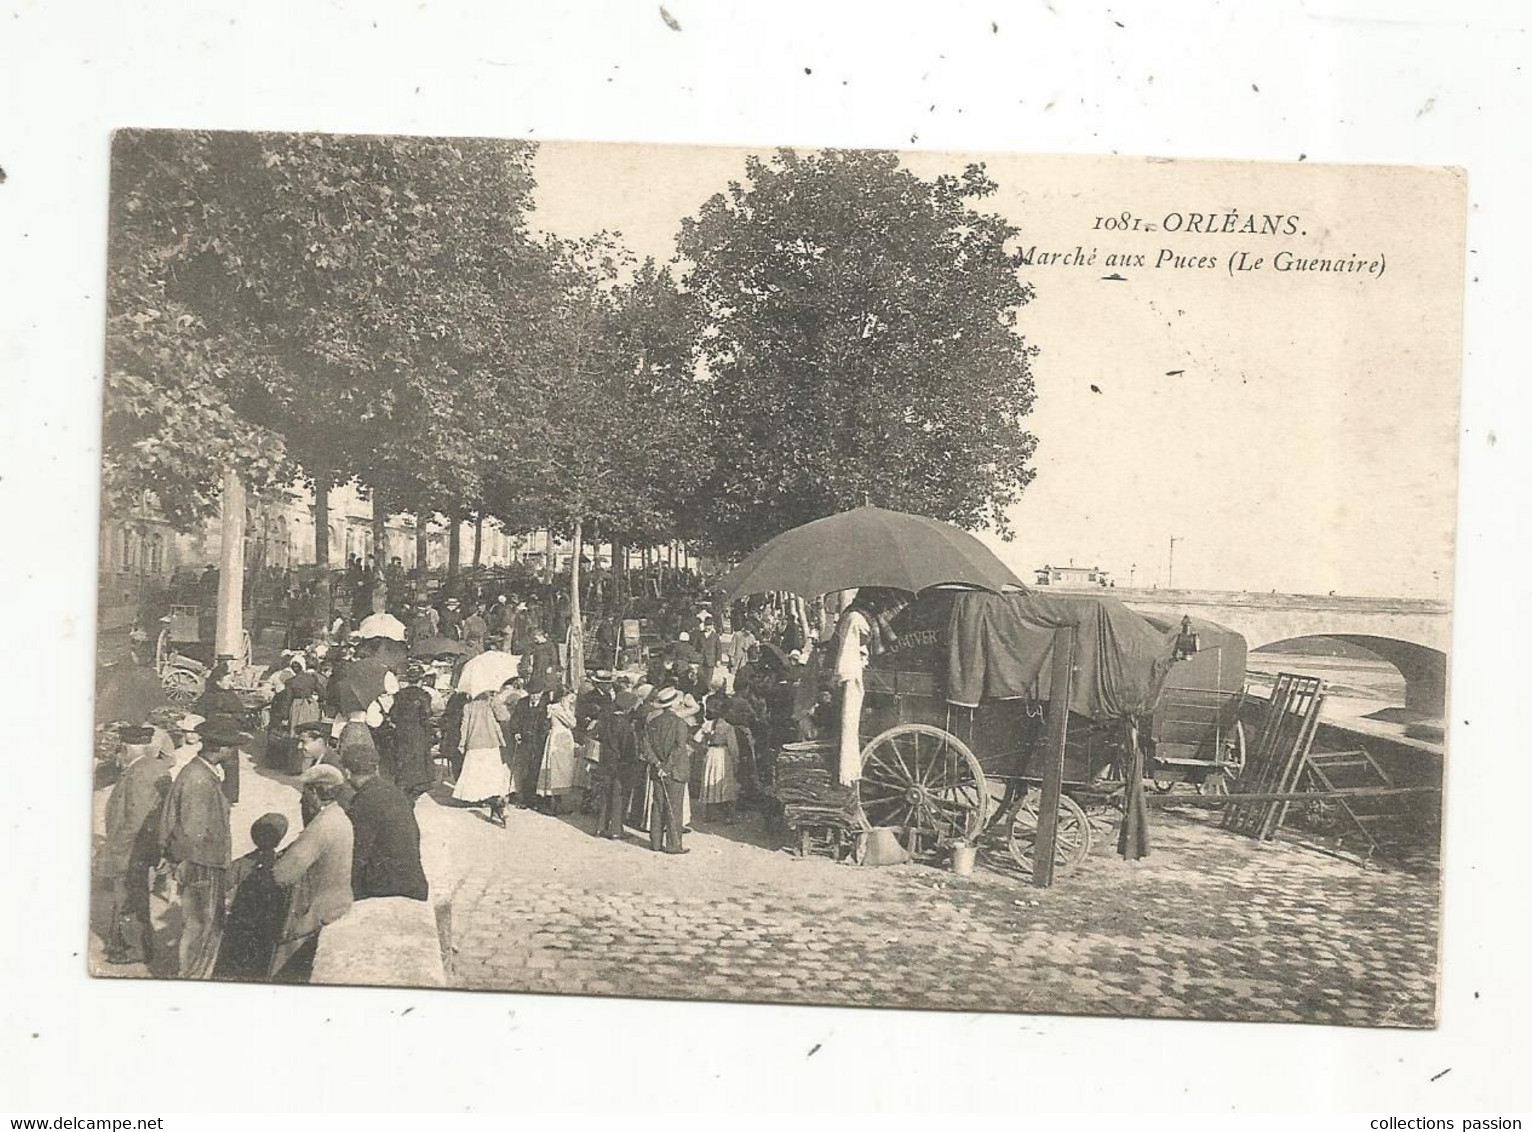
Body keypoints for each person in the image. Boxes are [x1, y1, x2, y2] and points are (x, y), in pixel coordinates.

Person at [157, 716, 242, 979]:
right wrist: (187, 868)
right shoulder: (198, 779)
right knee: (200, 925)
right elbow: (191, 832)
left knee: (204, 924)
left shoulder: (203, 772)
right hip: (200, 865)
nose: (234, 753)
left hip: (203, 863)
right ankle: (191, 976)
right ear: (220, 748)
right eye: (231, 747)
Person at [271, 764, 355, 983]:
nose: (302, 799)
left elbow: (282, 875)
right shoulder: (338, 816)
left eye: (305, 792)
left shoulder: (322, 825)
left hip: (313, 916)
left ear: (316, 792)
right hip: (335, 905)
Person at [98, 725, 172, 965]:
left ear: (127, 748)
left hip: (131, 848)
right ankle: (124, 943)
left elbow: (135, 818)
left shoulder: (138, 773)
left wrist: (115, 848)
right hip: (142, 846)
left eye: (121, 749)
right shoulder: (154, 766)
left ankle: (135, 949)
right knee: (133, 895)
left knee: (129, 897)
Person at [343, 740, 429, 902]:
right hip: (413, 881)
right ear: (375, 768)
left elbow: (357, 853)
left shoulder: (365, 800)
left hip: (386, 888)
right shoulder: (391, 791)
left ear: (347, 772)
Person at [212, 813, 289, 982]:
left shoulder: (241, 864)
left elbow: (222, 886)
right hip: (264, 928)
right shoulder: (280, 864)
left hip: (239, 925)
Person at [641, 689, 694, 854]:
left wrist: (657, 764)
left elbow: (646, 746)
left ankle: (655, 842)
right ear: (673, 704)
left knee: (657, 805)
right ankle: (673, 845)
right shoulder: (679, 723)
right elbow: (679, 747)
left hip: (657, 771)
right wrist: (667, 766)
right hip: (675, 771)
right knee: (674, 808)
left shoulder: (652, 723)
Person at [452, 694, 509, 826]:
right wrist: (497, 702)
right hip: (491, 742)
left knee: (477, 778)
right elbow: (504, 717)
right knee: (493, 776)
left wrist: (462, 743)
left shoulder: (468, 706)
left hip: (474, 745)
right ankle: (497, 805)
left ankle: (492, 804)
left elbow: (464, 727)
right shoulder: (491, 703)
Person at [194, 662, 245, 804]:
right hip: (212, 736)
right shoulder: (207, 696)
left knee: (231, 768)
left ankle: (229, 797)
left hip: (229, 736)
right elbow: (198, 715)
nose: (230, 683)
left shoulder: (232, 696)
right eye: (228, 680)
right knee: (206, 764)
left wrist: (236, 722)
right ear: (218, 681)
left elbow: (240, 714)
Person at [594, 689, 638, 839]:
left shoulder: (607, 720)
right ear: (627, 708)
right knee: (619, 796)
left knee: (605, 795)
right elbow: (628, 749)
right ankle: (615, 830)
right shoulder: (625, 726)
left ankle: (601, 827)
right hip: (620, 764)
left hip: (605, 761)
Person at [387, 666, 436, 800]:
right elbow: (426, 713)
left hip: (402, 730)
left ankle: (404, 783)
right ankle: (416, 786)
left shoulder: (399, 695)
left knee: (403, 756)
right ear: (420, 679)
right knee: (418, 757)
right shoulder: (424, 695)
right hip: (417, 730)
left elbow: (393, 714)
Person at [696, 697, 741, 823]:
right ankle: (728, 816)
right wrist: (736, 760)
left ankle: (710, 814)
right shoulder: (728, 727)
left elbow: (697, 740)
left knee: (710, 779)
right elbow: (733, 746)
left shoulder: (707, 725)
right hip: (723, 755)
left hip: (711, 754)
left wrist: (704, 747)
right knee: (726, 782)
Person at [537, 695, 580, 814]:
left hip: (564, 740)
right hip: (558, 739)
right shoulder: (556, 709)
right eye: (569, 697)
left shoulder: (562, 708)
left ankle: (558, 803)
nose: (572, 700)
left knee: (563, 771)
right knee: (556, 769)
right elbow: (572, 723)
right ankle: (553, 804)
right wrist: (566, 708)